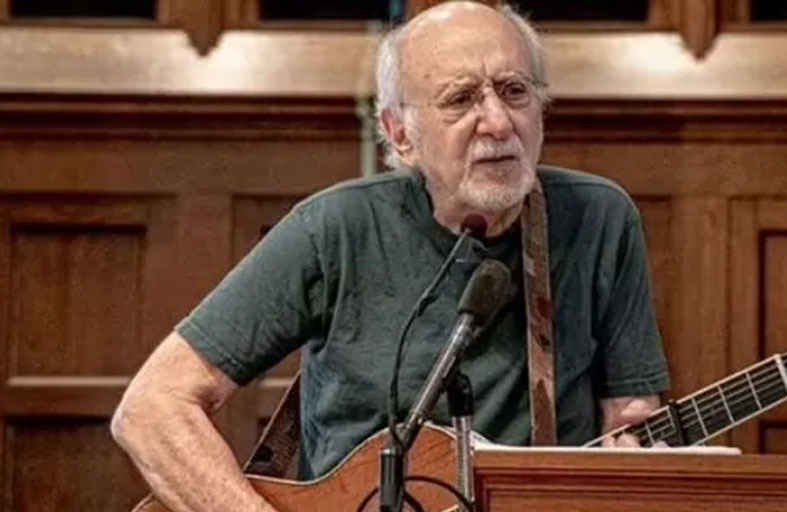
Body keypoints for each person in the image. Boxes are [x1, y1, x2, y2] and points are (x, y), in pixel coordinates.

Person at [111, 2, 670, 511]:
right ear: (399, 133)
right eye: (461, 99)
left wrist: (641, 455)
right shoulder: (334, 229)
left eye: (515, 91)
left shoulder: (599, 218)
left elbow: (629, 421)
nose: (499, 122)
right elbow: (152, 408)